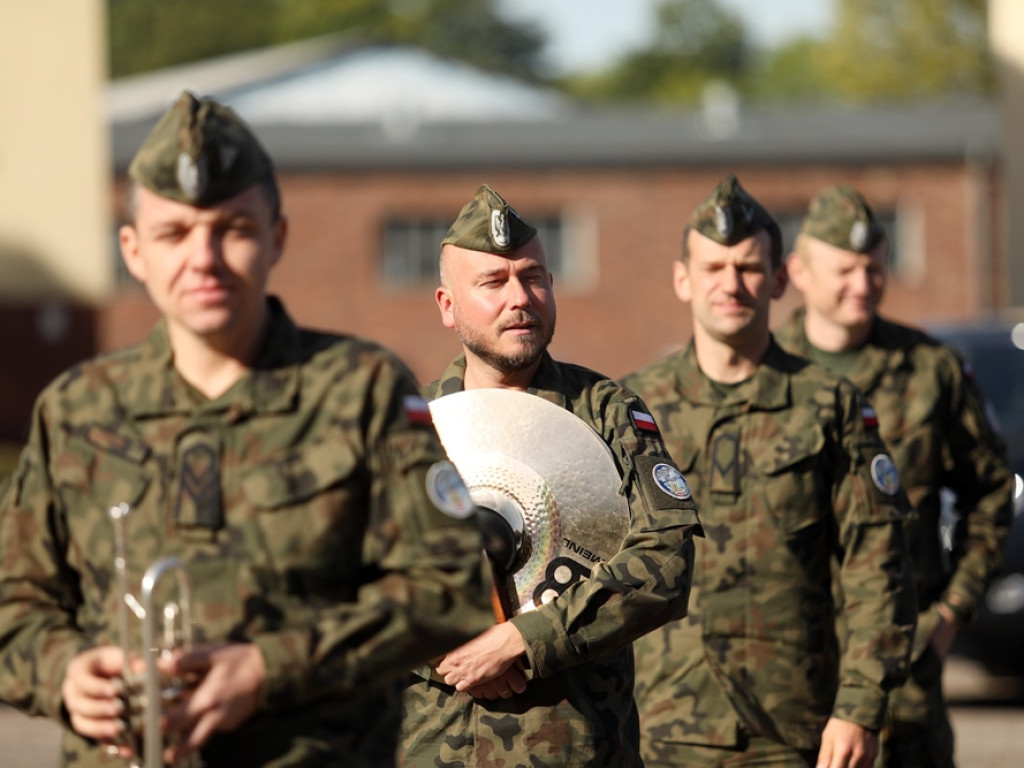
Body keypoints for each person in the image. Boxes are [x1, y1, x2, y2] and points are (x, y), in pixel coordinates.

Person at [0, 91, 494, 767]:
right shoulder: (76, 408)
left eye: (231, 228)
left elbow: (450, 590)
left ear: (276, 238)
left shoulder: (360, 388)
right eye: (173, 234)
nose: (202, 258)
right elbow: (14, 601)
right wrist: (60, 671)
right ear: (133, 250)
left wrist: (269, 667)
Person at [398, 184, 703, 767]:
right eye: (493, 282)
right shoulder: (409, 427)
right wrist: (451, 651)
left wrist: (520, 641)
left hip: (579, 748)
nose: (521, 297)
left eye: (533, 277)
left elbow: (666, 559)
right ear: (446, 305)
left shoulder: (606, 411)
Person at [622, 174, 918, 768]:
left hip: (793, 728)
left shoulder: (828, 403)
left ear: (781, 279)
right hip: (658, 725)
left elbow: (878, 564)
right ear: (684, 279)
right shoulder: (632, 406)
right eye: (713, 268)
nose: (731, 284)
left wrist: (860, 706)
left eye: (750, 268)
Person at [776, 184, 1014, 767]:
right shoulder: (766, 370)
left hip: (901, 675)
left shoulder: (929, 369)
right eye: (845, 270)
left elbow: (991, 492)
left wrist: (952, 612)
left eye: (874, 269)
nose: (863, 285)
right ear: (799, 271)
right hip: (785, 674)